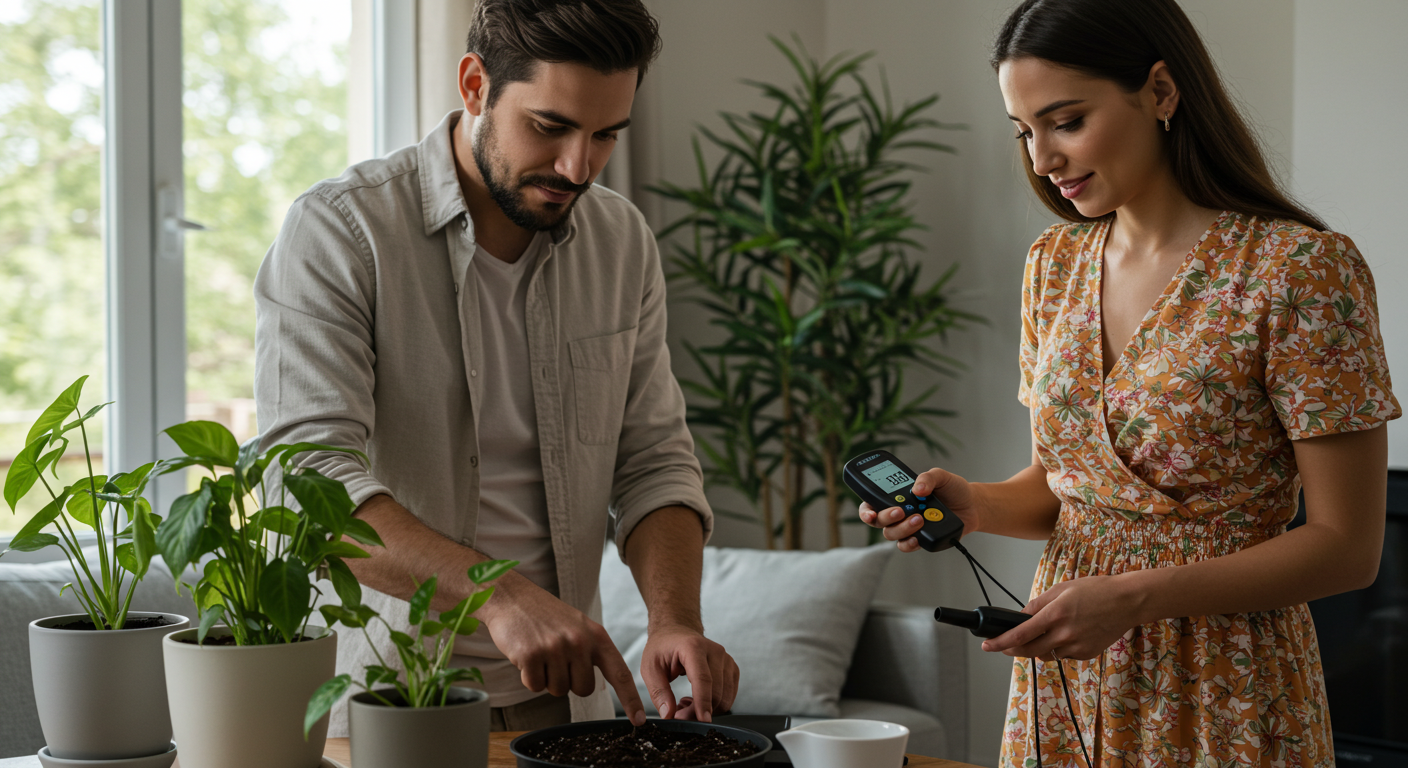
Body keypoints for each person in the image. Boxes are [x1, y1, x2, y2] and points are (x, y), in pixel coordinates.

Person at [860, 0, 1397, 765]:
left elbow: (1348, 547)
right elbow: (1067, 489)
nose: (1042, 158)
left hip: (1226, 681)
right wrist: (976, 504)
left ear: (1161, 92)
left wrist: (1136, 596)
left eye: (1066, 121)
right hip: (1068, 677)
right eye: (1024, 131)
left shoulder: (1299, 271)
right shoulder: (1054, 266)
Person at [254, 0, 738, 732]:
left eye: (606, 134)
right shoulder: (341, 232)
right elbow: (310, 487)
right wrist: (500, 594)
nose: (579, 166)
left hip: (568, 709)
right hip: (391, 708)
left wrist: (674, 619)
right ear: (476, 86)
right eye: (551, 127)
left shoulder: (620, 242)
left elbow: (655, 463)